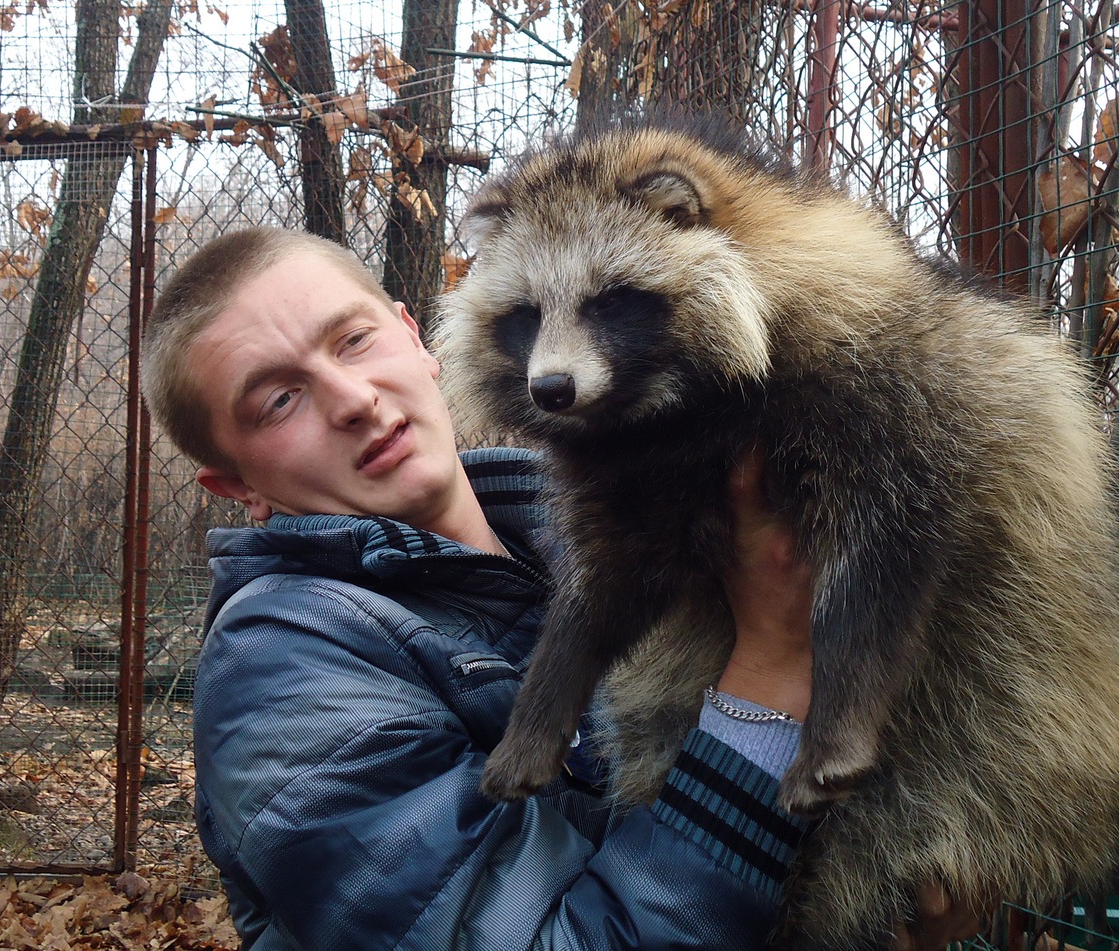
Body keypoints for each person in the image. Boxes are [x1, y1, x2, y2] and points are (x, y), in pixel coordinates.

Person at [144, 226, 989, 950]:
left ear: (415, 336)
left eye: (354, 340)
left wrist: (891, 872)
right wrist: (772, 669)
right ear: (238, 486)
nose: (354, 400)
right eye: (280, 399)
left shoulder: (565, 532)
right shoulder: (280, 673)